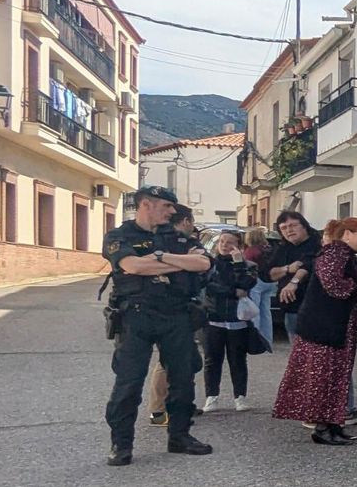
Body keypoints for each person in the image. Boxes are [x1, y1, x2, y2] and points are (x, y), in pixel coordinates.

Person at [102, 186, 213, 466]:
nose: (172, 211)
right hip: (135, 317)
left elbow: (201, 263)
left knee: (183, 378)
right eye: (166, 206)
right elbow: (133, 267)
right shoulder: (119, 236)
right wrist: (179, 264)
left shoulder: (174, 236)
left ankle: (179, 436)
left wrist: (160, 258)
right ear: (147, 205)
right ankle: (121, 444)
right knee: (129, 382)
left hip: (176, 315)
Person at [273, 218, 357, 446]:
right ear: (347, 234)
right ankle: (322, 427)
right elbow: (335, 285)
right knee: (323, 379)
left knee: (336, 378)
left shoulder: (344, 255)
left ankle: (334, 425)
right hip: (324, 329)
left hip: (336, 328)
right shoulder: (334, 254)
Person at [146, 204, 205, 427]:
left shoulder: (187, 242)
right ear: (186, 221)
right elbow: (148, 265)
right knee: (167, 360)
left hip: (184, 309)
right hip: (164, 308)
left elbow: (202, 263)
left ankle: (181, 404)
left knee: (184, 359)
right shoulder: (164, 240)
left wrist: (167, 262)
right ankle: (159, 410)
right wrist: (182, 262)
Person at [201, 231, 257, 413]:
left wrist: (239, 264)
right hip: (213, 318)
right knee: (212, 360)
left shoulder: (248, 265)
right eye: (222, 241)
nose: (224, 245)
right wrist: (232, 291)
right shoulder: (209, 264)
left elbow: (247, 283)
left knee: (238, 360)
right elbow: (209, 286)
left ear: (239, 246)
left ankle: (240, 397)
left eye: (230, 242)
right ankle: (211, 397)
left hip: (237, 320)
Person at [260, 211, 321, 342]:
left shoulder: (319, 243)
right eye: (284, 228)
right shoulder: (282, 248)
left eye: (293, 225)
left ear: (304, 226)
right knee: (297, 354)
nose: (289, 230)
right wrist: (287, 269)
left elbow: (308, 266)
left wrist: (293, 282)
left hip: (316, 308)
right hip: (291, 308)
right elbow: (266, 274)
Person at [243, 226, 276, 347]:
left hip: (257, 282)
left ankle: (254, 340)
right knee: (266, 312)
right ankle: (267, 340)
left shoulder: (250, 251)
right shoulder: (269, 248)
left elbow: (245, 266)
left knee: (254, 311)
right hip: (270, 282)